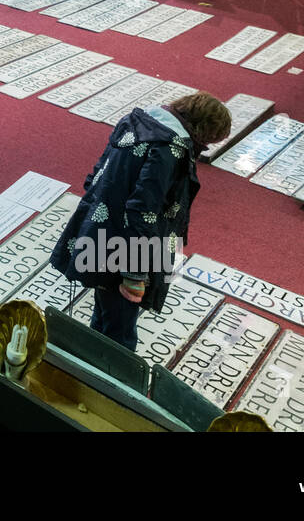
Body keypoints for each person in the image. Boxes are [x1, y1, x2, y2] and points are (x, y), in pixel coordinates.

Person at [48, 92, 232, 351]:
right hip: (128, 250)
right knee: (120, 334)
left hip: (99, 231)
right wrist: (134, 273)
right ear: (202, 130)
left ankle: (90, 366)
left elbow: (96, 175)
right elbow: (143, 211)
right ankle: (110, 384)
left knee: (104, 313)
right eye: (208, 141)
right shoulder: (170, 149)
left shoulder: (136, 121)